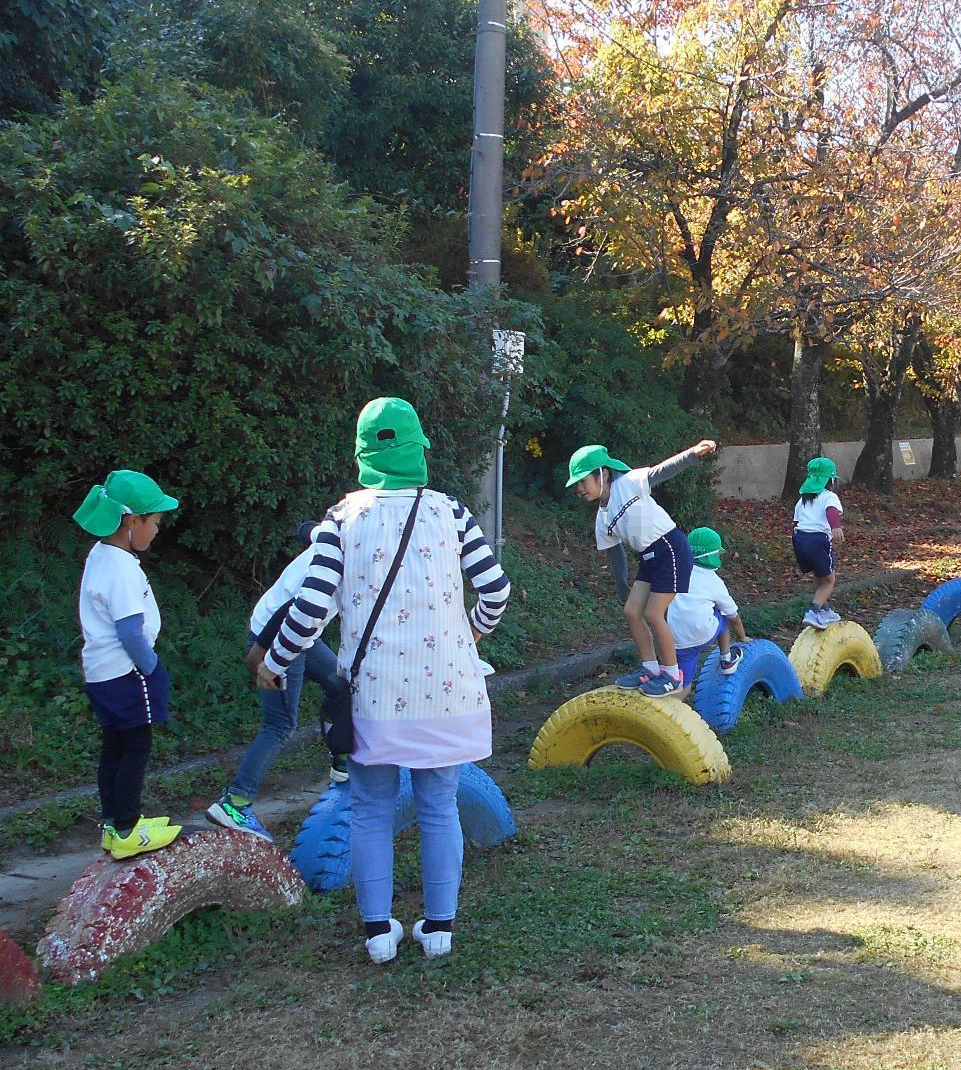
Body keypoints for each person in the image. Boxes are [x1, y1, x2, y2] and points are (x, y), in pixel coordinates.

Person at [259, 397, 511, 965]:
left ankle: (378, 933)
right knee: (440, 803)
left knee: (369, 807)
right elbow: (495, 590)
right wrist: (471, 634)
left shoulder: (341, 520)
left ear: (363, 453)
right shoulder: (452, 513)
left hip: (374, 694)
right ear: (419, 448)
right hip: (447, 691)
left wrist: (277, 661)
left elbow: (311, 606)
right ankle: (439, 929)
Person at [208, 522, 354, 842]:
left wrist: (311, 529)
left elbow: (305, 529)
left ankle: (343, 767)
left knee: (342, 685)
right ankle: (235, 802)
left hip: (300, 635)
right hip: (280, 635)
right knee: (280, 725)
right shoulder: (341, 565)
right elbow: (293, 609)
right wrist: (262, 656)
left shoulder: (335, 537)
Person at [73, 469, 183, 861]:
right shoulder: (121, 568)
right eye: (153, 521)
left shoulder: (101, 555)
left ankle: (114, 824)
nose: (156, 530)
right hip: (128, 671)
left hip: (102, 673)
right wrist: (152, 669)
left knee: (115, 746)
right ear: (130, 521)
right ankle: (127, 828)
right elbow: (131, 633)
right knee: (137, 745)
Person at [568, 437, 718, 698]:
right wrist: (622, 587)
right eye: (576, 484)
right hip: (648, 558)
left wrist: (693, 453)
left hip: (670, 548)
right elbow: (616, 556)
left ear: (602, 474)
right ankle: (650, 669)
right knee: (631, 612)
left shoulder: (628, 483)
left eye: (583, 481)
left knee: (653, 614)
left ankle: (672, 674)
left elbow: (661, 471)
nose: (580, 488)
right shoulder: (602, 519)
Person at [667, 527, 749, 682]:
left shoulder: (675, 571)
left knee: (683, 681)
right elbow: (734, 616)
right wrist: (743, 637)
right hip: (700, 634)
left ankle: (673, 695)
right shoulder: (713, 582)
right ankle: (727, 658)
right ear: (711, 556)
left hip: (673, 638)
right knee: (722, 612)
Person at [792, 455, 845, 629]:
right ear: (830, 479)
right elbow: (831, 511)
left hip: (799, 539)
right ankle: (813, 612)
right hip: (818, 539)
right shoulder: (829, 496)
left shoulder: (802, 500)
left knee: (817, 574)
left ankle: (824, 609)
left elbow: (795, 523)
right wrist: (836, 527)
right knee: (829, 580)